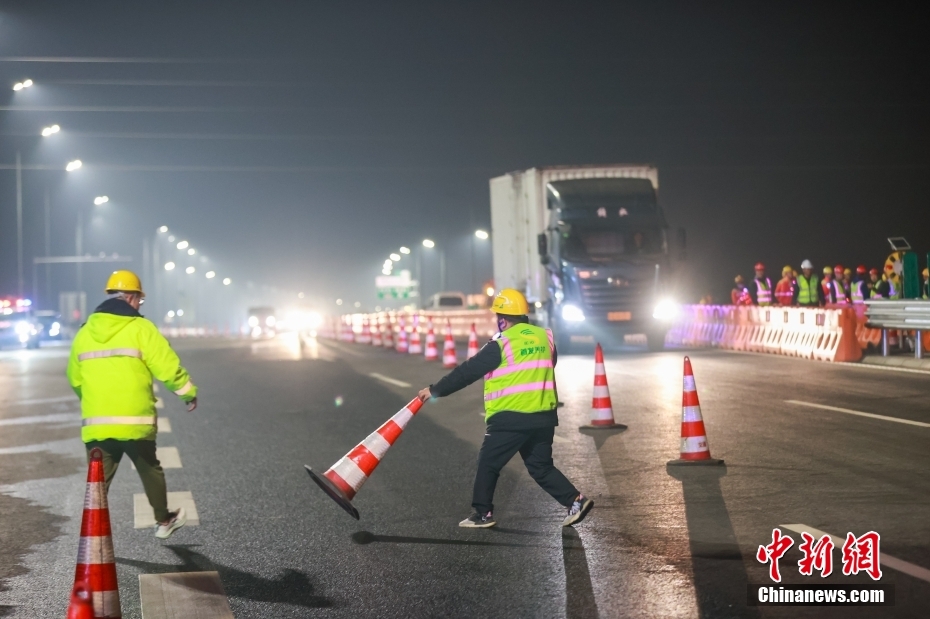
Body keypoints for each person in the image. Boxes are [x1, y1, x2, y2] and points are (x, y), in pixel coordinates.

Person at [416, 288, 592, 529]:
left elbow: (467, 372)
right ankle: (575, 500)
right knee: (540, 466)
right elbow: (549, 363)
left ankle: (482, 514)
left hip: (511, 416)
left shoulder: (500, 344)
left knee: (488, 462)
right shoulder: (544, 337)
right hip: (543, 416)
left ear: (502, 317)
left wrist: (434, 390)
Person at [67, 271, 198, 540]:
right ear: (129, 297)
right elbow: (166, 365)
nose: (139, 305)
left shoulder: (84, 332)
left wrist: (93, 402)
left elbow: (74, 377)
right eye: (139, 299)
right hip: (135, 420)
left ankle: (91, 533)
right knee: (149, 467)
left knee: (98, 481)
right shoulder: (141, 328)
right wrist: (187, 392)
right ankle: (163, 520)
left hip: (97, 423)